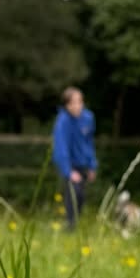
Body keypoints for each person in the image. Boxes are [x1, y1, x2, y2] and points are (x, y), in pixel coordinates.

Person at [51, 86, 97, 228]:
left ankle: (75, 223)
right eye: (74, 102)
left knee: (81, 196)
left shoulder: (88, 118)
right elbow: (61, 148)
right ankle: (70, 225)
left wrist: (92, 165)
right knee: (73, 193)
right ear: (67, 105)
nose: (78, 106)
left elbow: (89, 143)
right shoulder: (62, 122)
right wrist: (68, 171)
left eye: (80, 102)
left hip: (83, 162)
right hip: (69, 164)